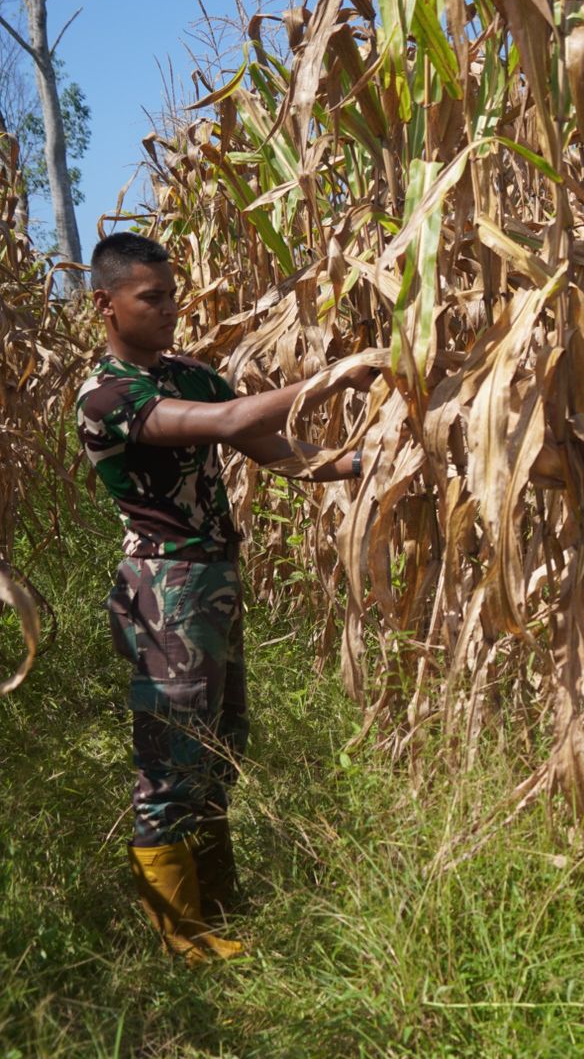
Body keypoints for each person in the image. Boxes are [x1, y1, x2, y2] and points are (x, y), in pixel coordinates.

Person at [75, 232, 378, 963]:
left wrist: (379, 461)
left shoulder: (185, 372)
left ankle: (217, 905)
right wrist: (337, 375)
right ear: (106, 306)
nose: (171, 310)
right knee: (172, 759)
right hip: (165, 588)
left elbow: (277, 453)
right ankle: (182, 940)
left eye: (172, 294)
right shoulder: (109, 395)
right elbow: (233, 422)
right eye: (152, 299)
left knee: (219, 748)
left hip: (214, 579)